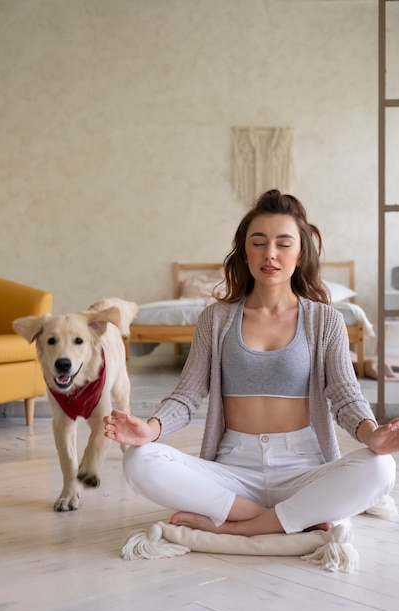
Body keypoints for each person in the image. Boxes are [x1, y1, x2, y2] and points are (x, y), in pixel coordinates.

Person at [104, 189, 398, 536]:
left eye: (283, 243)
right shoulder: (215, 319)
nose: (269, 254)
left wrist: (372, 435)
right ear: (244, 252)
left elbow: (346, 397)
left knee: (381, 468)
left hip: (303, 467)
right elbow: (186, 396)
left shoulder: (325, 320)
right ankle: (286, 518)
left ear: (300, 253)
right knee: (139, 459)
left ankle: (240, 526)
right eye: (258, 242)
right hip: (233, 470)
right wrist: (148, 430)